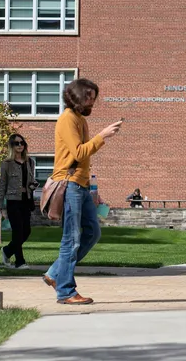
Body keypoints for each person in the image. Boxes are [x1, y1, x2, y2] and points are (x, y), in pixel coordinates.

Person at [43, 78, 123, 305]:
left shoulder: (78, 119)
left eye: (94, 98)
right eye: (90, 97)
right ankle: (66, 291)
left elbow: (82, 156)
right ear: (77, 97)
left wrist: (91, 186)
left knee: (92, 233)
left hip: (81, 186)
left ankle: (54, 273)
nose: (93, 102)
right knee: (72, 239)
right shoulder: (67, 119)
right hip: (69, 185)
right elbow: (78, 153)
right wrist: (102, 136)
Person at [0, 133, 38, 270]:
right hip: (13, 201)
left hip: (26, 200)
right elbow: (2, 185)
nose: (20, 145)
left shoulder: (30, 162)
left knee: (26, 231)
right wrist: (0, 206)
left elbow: (31, 180)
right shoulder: (6, 164)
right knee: (18, 232)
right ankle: (19, 262)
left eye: (22, 143)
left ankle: (7, 251)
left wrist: (33, 185)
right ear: (12, 146)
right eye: (16, 143)